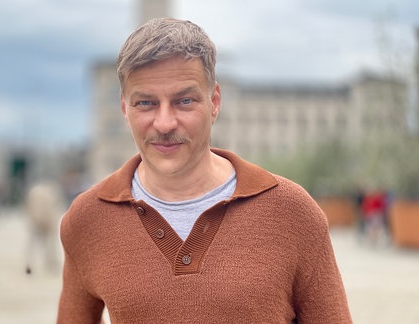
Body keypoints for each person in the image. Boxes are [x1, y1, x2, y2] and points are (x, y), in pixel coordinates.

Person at [57, 18, 352, 323]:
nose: (165, 123)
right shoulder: (87, 219)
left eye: (184, 101)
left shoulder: (292, 212)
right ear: (124, 109)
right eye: (145, 103)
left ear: (214, 102)